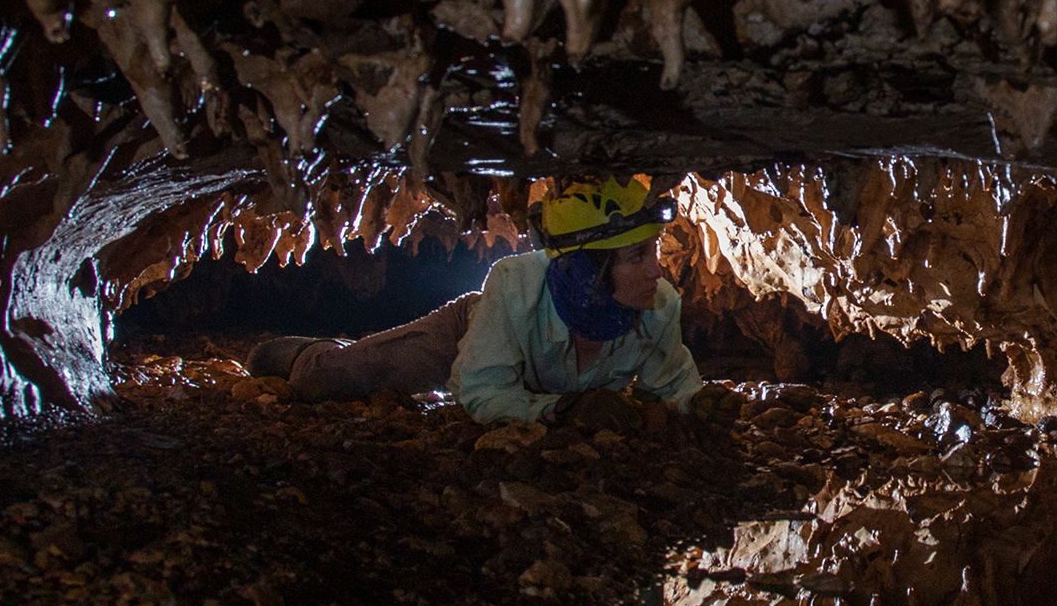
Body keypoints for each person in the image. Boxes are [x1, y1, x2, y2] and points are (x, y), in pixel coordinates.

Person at [242, 177, 738, 427]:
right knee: (326, 381)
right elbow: (478, 391)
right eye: (637, 256)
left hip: (522, 363)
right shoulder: (513, 283)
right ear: (588, 271)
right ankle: (313, 352)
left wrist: (697, 402)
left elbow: (669, 385)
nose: (657, 270)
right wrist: (565, 409)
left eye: (652, 252)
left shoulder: (658, 305)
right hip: (472, 329)